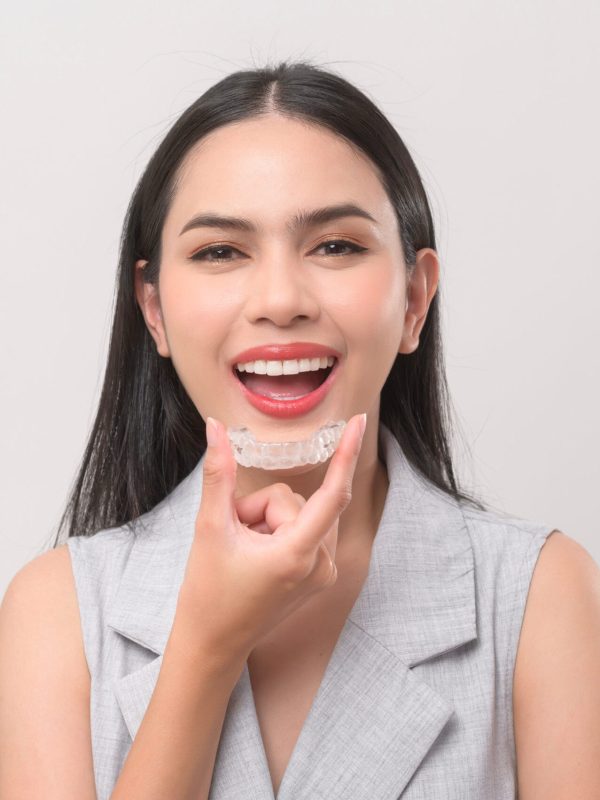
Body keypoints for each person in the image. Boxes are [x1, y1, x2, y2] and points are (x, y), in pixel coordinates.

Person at [0, 59, 598, 800]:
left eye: (336, 246)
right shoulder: (59, 610)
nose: (280, 300)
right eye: (220, 251)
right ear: (153, 310)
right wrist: (205, 649)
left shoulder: (537, 593)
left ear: (415, 299)